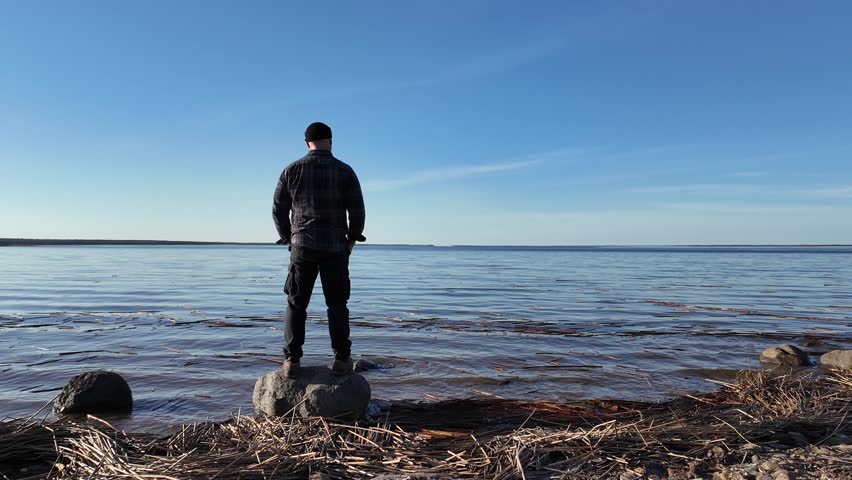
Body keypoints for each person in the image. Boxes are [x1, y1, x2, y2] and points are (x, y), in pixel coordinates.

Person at [272, 122, 366, 377]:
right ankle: (342, 360)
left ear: (307, 144)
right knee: (337, 305)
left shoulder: (291, 170)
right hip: (336, 247)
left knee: (296, 304)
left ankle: (292, 361)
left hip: (302, 245)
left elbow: (278, 209)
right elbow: (357, 210)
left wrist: (288, 237)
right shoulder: (344, 171)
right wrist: (352, 241)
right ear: (331, 141)